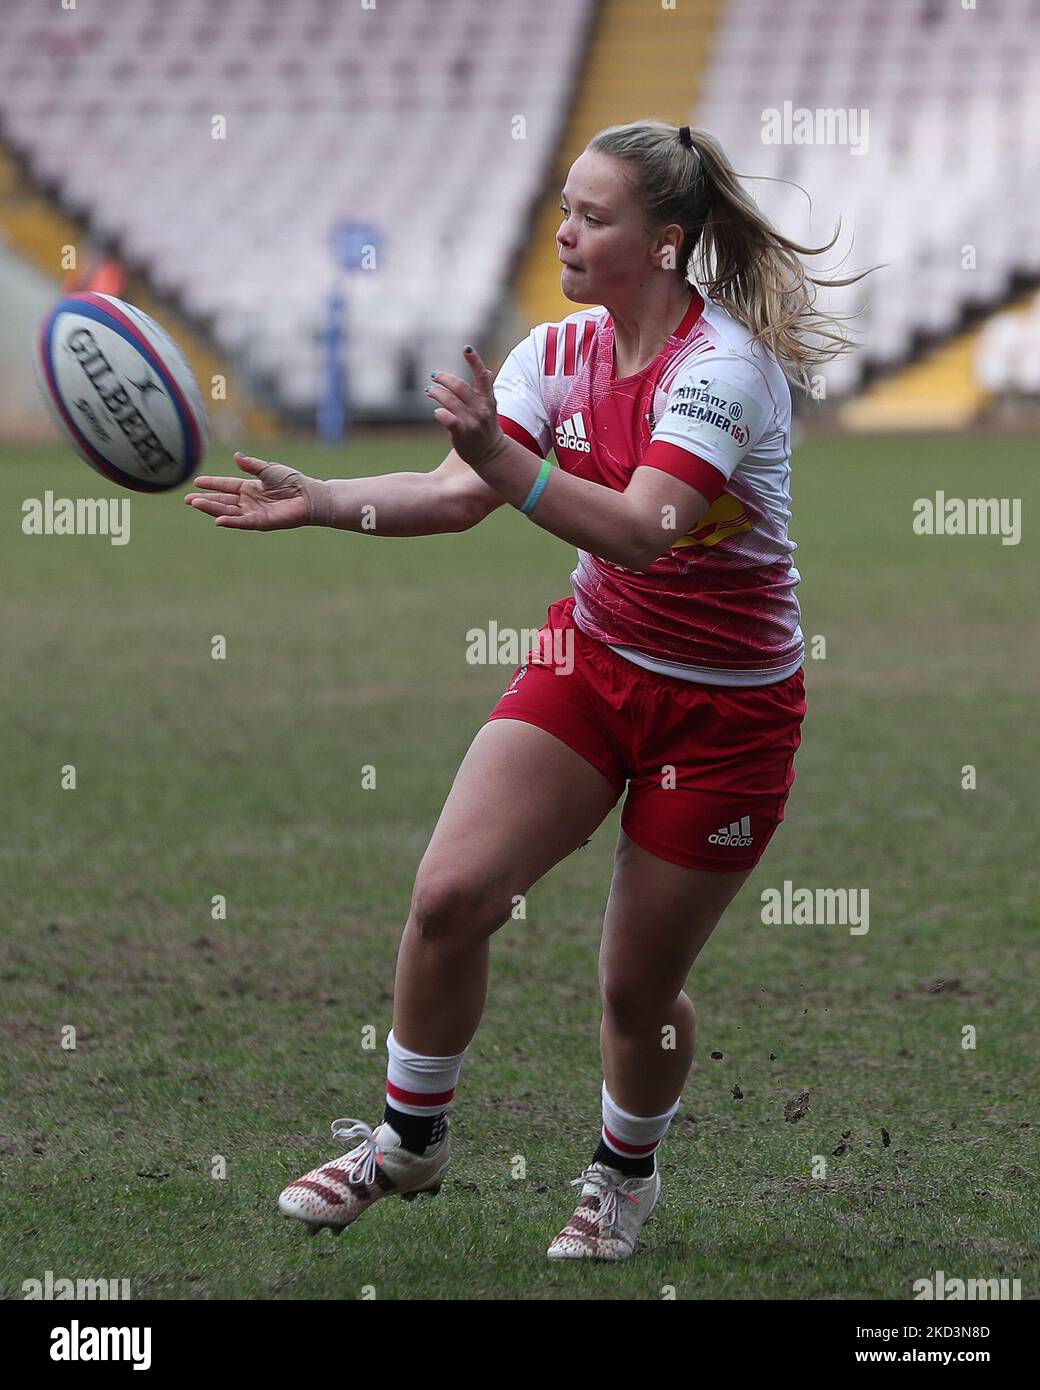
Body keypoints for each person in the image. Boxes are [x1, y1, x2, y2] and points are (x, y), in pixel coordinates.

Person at [185, 120, 865, 1260]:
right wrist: (318, 498)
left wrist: (506, 463)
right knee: (451, 893)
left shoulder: (724, 369)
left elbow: (644, 528)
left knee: (632, 987)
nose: (564, 230)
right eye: (564, 206)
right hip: (589, 663)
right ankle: (406, 1140)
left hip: (727, 710)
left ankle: (621, 1179)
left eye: (592, 216)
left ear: (663, 243)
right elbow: (455, 494)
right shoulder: (558, 353)